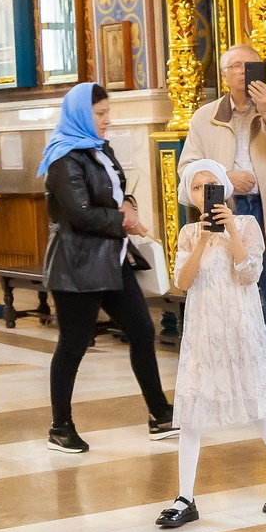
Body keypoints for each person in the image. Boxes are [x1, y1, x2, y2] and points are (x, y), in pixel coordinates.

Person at [157, 160, 266, 529]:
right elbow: (183, 281)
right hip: (202, 330)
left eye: (210, 185)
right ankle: (185, 497)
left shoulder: (247, 225)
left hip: (241, 326)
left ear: (225, 188)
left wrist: (229, 230)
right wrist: (202, 242)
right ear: (190, 196)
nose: (204, 193)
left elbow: (249, 275)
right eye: (197, 188)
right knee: (191, 410)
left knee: (259, 406)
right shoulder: (188, 233)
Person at [43, 81, 175, 453]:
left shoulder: (101, 150)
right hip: (78, 265)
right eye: (100, 114)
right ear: (82, 115)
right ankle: (60, 427)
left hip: (114, 260)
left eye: (107, 112)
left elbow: (117, 191)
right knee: (72, 345)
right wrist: (124, 222)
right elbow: (80, 214)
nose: (107, 120)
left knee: (141, 331)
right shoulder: (63, 158)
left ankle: (160, 414)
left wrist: (129, 205)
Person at [177, 43, 266, 405]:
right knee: (230, 297)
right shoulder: (204, 116)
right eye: (235, 66)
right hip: (226, 209)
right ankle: (239, 378)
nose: (243, 72)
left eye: (250, 65)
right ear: (224, 75)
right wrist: (224, 179)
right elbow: (186, 167)